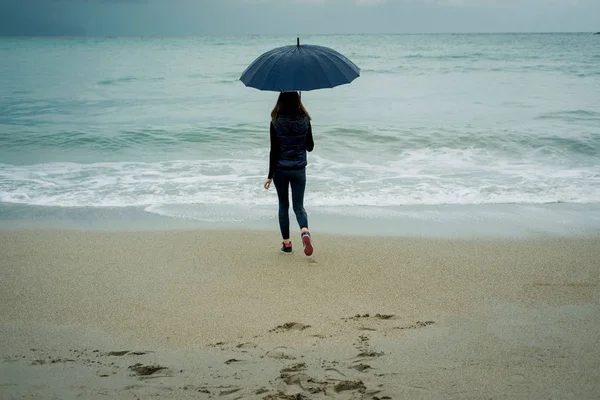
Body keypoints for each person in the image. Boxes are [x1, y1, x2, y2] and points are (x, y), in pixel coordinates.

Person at [263, 91, 314, 256]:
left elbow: (274, 151)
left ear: (280, 102)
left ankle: (287, 244)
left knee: (283, 205)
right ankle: (304, 231)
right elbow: (310, 146)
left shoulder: (275, 121)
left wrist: (270, 175)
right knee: (299, 206)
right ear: (298, 100)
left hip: (280, 170)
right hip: (299, 169)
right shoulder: (305, 120)